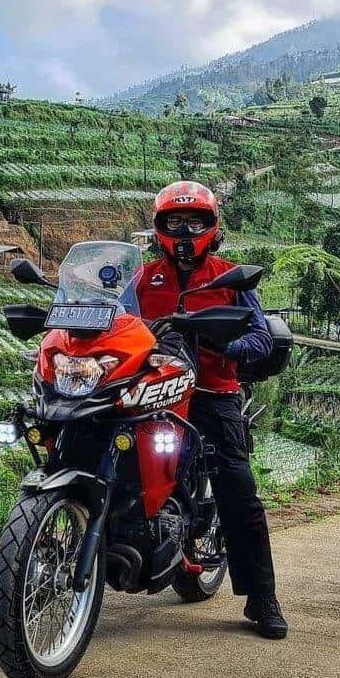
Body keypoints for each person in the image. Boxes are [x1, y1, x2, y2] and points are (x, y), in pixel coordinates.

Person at [127, 180, 287, 639]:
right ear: (159, 227)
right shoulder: (141, 280)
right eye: (174, 221)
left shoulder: (230, 277)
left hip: (212, 397)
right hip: (153, 396)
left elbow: (262, 337)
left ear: (211, 227)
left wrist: (226, 343)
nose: (183, 230)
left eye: (194, 221)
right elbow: (113, 320)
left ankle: (262, 597)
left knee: (238, 489)